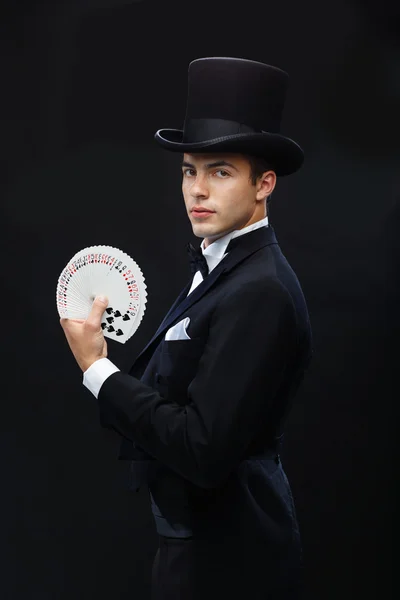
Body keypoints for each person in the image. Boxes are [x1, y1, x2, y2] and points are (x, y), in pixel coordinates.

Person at [60, 57, 313, 600]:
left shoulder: (260, 290)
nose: (197, 189)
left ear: (263, 183)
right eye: (188, 171)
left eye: (219, 171)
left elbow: (202, 450)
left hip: (233, 561)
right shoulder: (223, 268)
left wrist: (97, 369)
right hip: (195, 549)